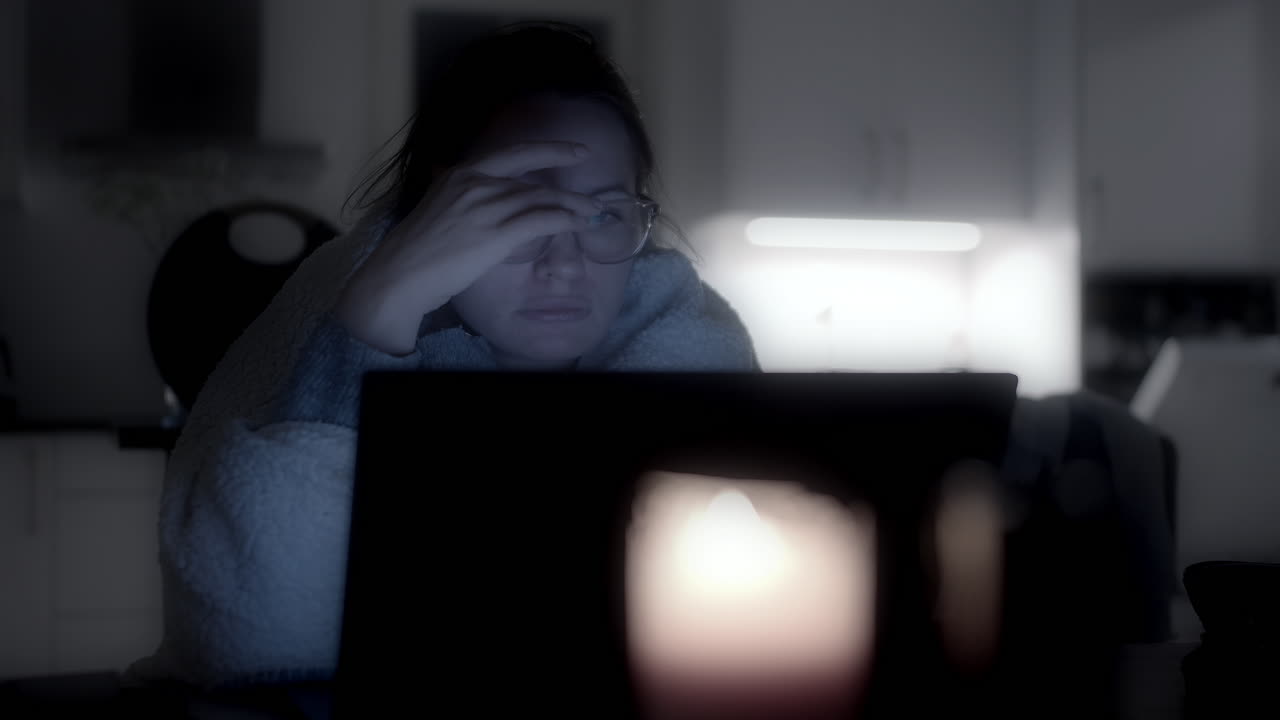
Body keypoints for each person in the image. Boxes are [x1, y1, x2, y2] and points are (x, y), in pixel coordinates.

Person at [125, 23, 759, 691]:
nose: (563, 264)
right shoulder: (349, 289)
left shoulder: (679, 329)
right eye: (519, 212)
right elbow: (255, 633)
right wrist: (375, 317)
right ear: (439, 213)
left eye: (603, 215)